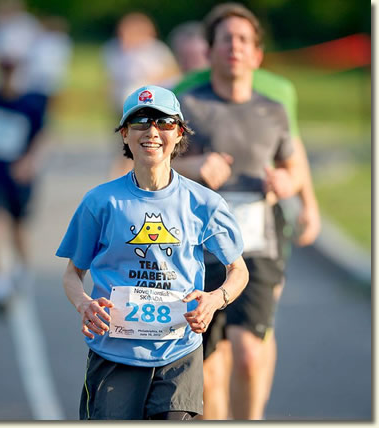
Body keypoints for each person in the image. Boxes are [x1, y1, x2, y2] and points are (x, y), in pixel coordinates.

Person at [56, 85, 249, 420]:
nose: (152, 132)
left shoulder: (203, 203)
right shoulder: (100, 202)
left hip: (179, 352)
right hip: (114, 353)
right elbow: (73, 273)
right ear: (125, 135)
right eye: (141, 122)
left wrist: (215, 299)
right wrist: (84, 304)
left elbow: (239, 271)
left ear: (179, 134)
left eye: (164, 122)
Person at [173, 3, 308, 419]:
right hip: (199, 249)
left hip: (257, 243)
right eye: (226, 39)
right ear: (209, 51)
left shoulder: (274, 109)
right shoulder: (188, 105)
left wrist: (287, 184)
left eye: (244, 40)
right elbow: (155, 166)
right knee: (209, 371)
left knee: (250, 355)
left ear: (257, 54)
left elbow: (293, 165)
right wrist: (194, 167)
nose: (235, 47)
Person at [0, 56, 47, 315]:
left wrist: (29, 161)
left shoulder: (31, 104)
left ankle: (23, 272)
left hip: (19, 175)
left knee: (18, 229)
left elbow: (42, 136)